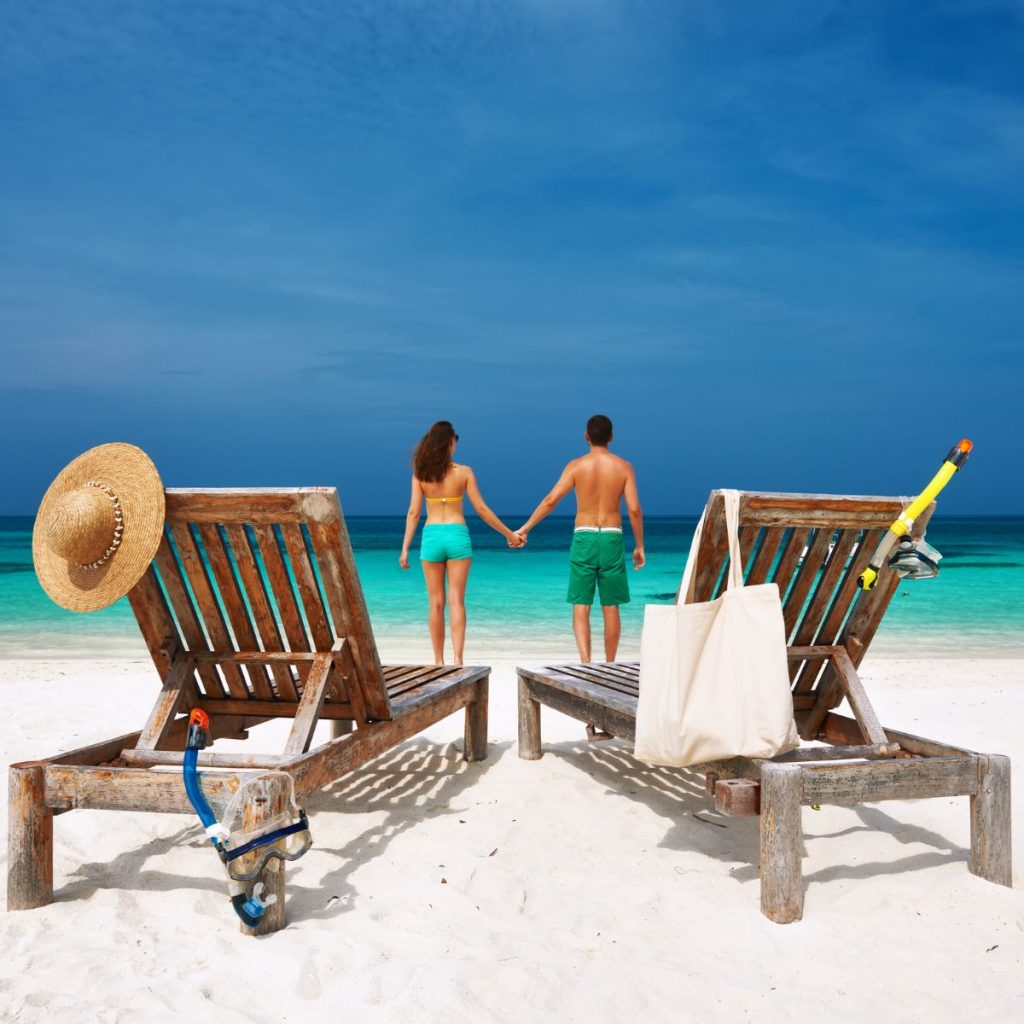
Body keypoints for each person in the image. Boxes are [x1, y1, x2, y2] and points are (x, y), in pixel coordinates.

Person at [516, 414, 644, 664]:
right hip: (611, 537)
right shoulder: (624, 467)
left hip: (584, 536)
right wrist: (639, 545)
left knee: (581, 604)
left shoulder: (575, 466)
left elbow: (551, 500)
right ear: (611, 437)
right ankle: (609, 664)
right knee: (611, 606)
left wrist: (526, 528)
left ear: (586, 437)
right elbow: (634, 509)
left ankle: (586, 663)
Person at [400, 420, 523, 665]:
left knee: (435, 603)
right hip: (457, 535)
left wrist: (405, 549)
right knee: (456, 600)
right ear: (450, 442)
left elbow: (414, 513)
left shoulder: (421, 474)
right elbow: (482, 510)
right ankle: (458, 659)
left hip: (432, 536)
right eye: (455, 439)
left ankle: (438, 661)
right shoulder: (464, 472)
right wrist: (510, 534)